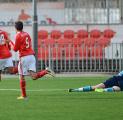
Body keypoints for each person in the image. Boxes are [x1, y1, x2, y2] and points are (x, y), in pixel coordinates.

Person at [11, 21, 55, 100]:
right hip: (31, 56)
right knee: (34, 76)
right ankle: (46, 71)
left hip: (24, 57)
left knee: (21, 76)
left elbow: (15, 49)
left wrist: (11, 43)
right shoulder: (26, 34)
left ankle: (24, 96)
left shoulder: (18, 35)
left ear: (15, 28)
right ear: (22, 27)